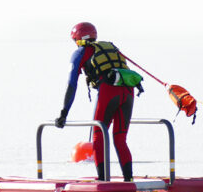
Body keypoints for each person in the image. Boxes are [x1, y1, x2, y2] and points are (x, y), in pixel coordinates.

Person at [55, 22, 142, 182]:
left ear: (78, 39)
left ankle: (102, 180)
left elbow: (72, 84)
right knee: (120, 139)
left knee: (98, 136)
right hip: (128, 92)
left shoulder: (80, 53)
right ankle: (128, 181)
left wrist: (63, 113)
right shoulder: (110, 47)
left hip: (109, 92)